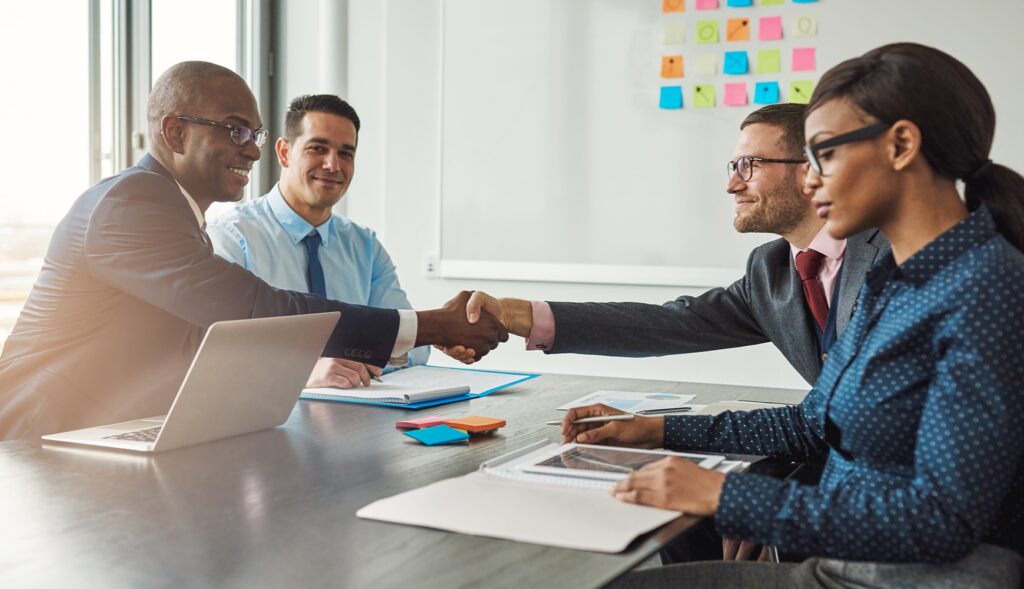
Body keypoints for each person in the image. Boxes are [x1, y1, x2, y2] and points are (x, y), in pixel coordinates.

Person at [566, 43, 1024, 587]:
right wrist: (659, 431)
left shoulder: (989, 290)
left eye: (825, 154)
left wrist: (729, 495)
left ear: (902, 145)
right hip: (845, 567)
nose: (809, 181)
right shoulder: (891, 278)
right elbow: (813, 425)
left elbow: (942, 523)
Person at [0, 61, 505, 441]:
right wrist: (436, 324)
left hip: (110, 432)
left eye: (256, 133)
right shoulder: (131, 204)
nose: (256, 150)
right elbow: (257, 311)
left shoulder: (176, 214)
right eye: (236, 130)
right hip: (40, 438)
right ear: (175, 132)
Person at [448, 103, 888, 388]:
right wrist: (514, 314)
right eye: (733, 165)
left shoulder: (891, 255)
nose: (732, 184)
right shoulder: (771, 269)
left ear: (812, 169)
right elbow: (666, 325)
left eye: (750, 165)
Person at [207, 95, 428, 391]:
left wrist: (351, 363)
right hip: (268, 419)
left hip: (361, 420)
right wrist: (300, 372)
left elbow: (414, 348)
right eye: (318, 148)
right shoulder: (232, 237)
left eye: (346, 153)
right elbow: (217, 353)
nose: (332, 165)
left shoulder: (365, 247)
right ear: (284, 152)